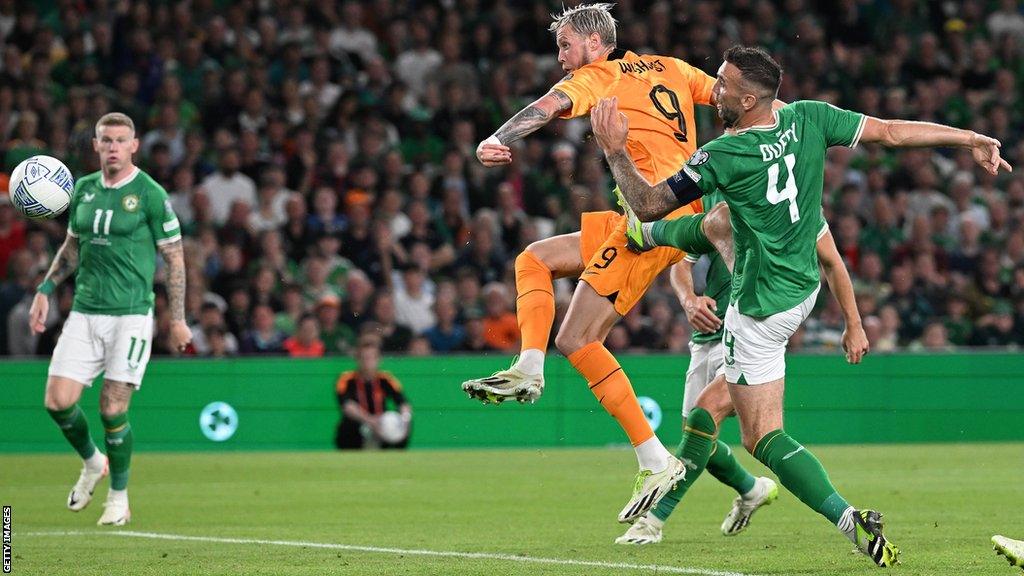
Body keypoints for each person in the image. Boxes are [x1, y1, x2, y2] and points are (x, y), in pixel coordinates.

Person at [591, 45, 1010, 567]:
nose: (712, 90)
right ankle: (660, 239)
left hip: (758, 309)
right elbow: (891, 132)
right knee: (719, 226)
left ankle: (843, 516)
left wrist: (614, 149)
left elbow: (650, 198)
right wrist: (969, 137)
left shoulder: (723, 156)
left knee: (759, 436)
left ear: (747, 100)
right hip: (803, 291)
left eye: (721, 84)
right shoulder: (810, 116)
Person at [462, 2, 719, 524]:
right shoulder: (672, 67)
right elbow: (731, 97)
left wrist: (498, 138)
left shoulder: (597, 75)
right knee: (533, 260)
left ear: (597, 43)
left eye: (565, 46)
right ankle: (529, 369)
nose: (561, 59)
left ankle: (654, 458)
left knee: (577, 339)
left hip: (652, 220)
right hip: (664, 211)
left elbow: (548, 106)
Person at [617, 226, 860, 545]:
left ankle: (654, 520)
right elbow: (681, 262)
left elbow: (831, 261)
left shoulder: (791, 207)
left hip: (750, 336)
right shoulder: (719, 207)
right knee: (700, 440)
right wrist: (689, 300)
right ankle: (752, 489)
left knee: (706, 417)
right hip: (705, 337)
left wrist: (853, 323)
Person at [27, 112, 192, 526]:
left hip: (131, 316)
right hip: (84, 312)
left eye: (121, 140)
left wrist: (178, 318)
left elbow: (174, 257)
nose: (113, 147)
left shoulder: (150, 194)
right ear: (97, 146)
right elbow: (70, 249)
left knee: (111, 409)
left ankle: (119, 497)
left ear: (134, 145)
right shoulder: (82, 189)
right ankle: (92, 461)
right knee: (56, 402)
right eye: (106, 140)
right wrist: (45, 291)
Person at [334, 337, 412, 450]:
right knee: (348, 424)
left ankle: (398, 457)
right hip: (360, 424)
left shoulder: (386, 379)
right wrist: (370, 420)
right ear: (357, 359)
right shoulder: (346, 379)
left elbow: (403, 403)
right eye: (364, 358)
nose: (367, 362)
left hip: (382, 425)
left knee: (402, 422)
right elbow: (347, 406)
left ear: (378, 360)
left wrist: (405, 420)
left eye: (371, 358)